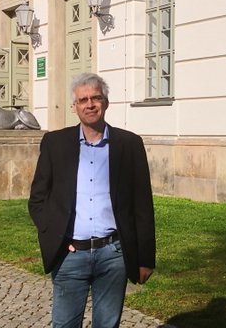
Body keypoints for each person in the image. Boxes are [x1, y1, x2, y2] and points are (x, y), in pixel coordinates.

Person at [29, 72, 156, 328]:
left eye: (96, 98)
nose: (90, 104)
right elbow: (38, 199)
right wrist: (55, 235)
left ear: (106, 102)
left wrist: (146, 259)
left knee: (107, 325)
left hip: (113, 255)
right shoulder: (56, 143)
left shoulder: (129, 144)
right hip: (70, 254)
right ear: (74, 107)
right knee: (64, 324)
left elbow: (142, 205)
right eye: (83, 99)